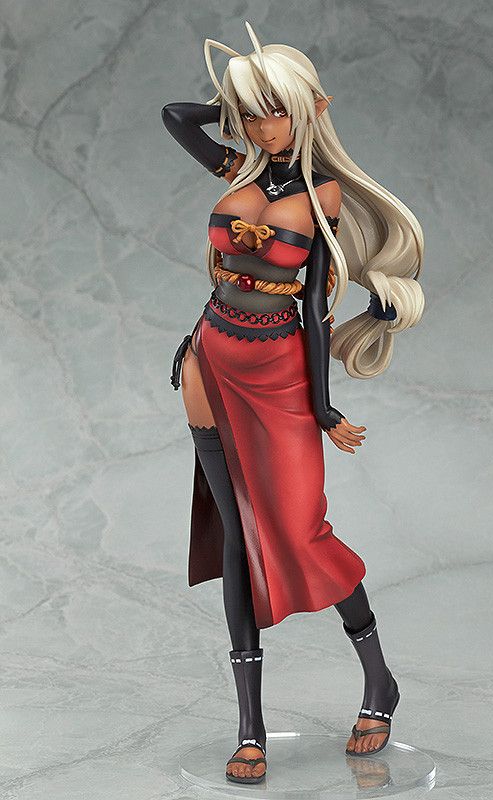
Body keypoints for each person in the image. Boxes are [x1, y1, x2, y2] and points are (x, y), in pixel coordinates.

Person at [162, 21, 424, 785]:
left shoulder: (321, 193)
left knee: (301, 532)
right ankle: (249, 729)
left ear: (312, 108)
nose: (262, 127)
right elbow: (175, 116)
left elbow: (313, 306)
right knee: (237, 539)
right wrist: (239, 98)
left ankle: (380, 682)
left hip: (278, 372)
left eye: (276, 111)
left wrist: (323, 405)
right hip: (209, 358)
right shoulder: (237, 164)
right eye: (252, 114)